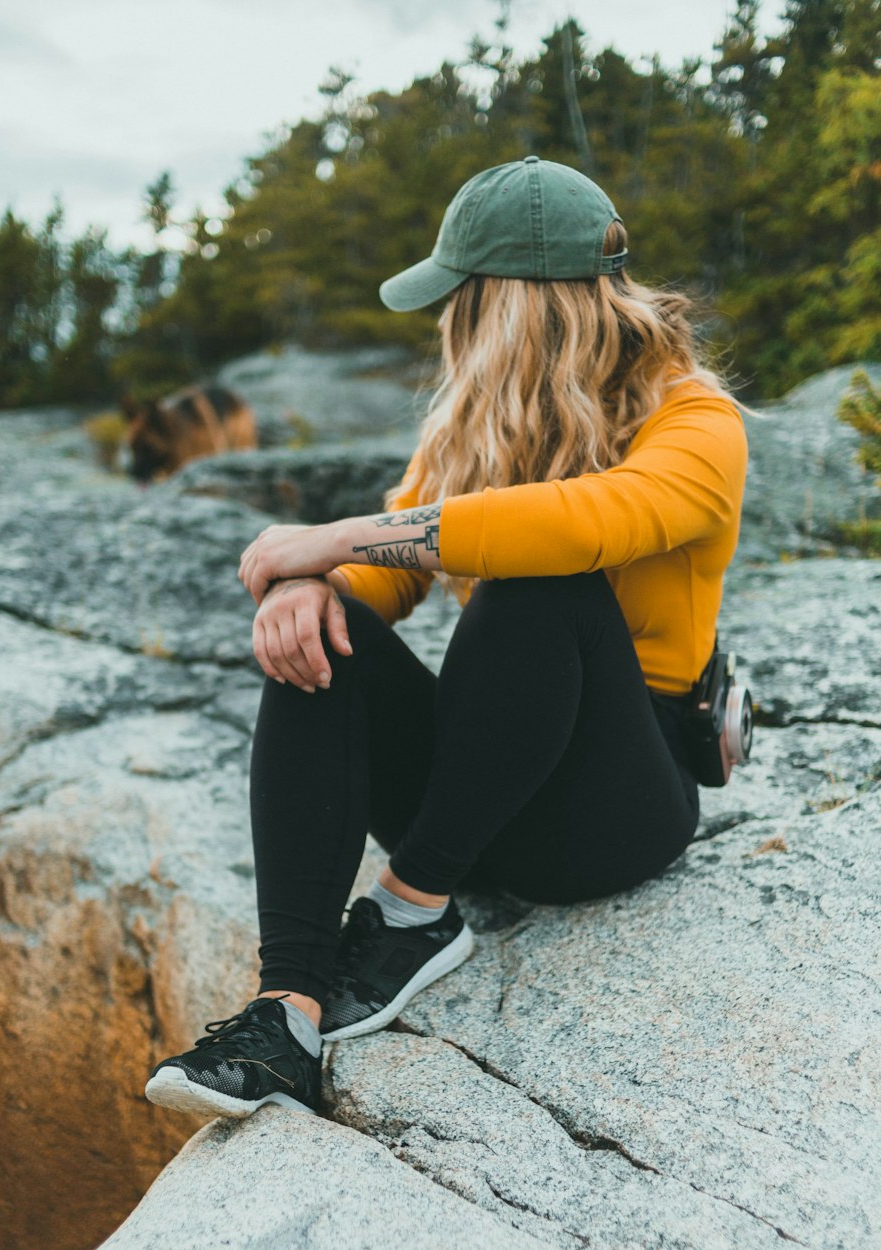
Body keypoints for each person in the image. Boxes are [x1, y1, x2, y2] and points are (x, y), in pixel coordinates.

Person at [144, 156, 748, 1121]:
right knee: (328, 631)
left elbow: (585, 524)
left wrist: (332, 537)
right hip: (486, 795)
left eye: (456, 300)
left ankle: (411, 909)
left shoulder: (698, 421)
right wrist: (318, 584)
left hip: (614, 814)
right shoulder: (478, 422)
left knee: (542, 583)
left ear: (505, 306)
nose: (445, 325)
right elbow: (392, 568)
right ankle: (285, 1011)